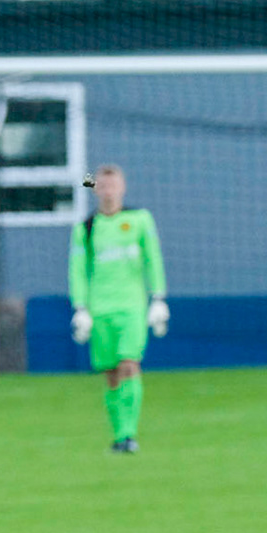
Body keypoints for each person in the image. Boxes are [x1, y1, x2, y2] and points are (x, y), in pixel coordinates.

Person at [69, 164, 168, 454]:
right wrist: (80, 308)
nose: (109, 191)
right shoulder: (86, 228)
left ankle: (129, 433)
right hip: (100, 309)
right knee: (111, 373)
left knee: (129, 364)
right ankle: (118, 435)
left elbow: (153, 258)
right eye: (103, 185)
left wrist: (158, 298)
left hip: (132, 307)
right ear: (95, 188)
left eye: (114, 185)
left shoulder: (139, 219)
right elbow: (77, 270)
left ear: (123, 187)